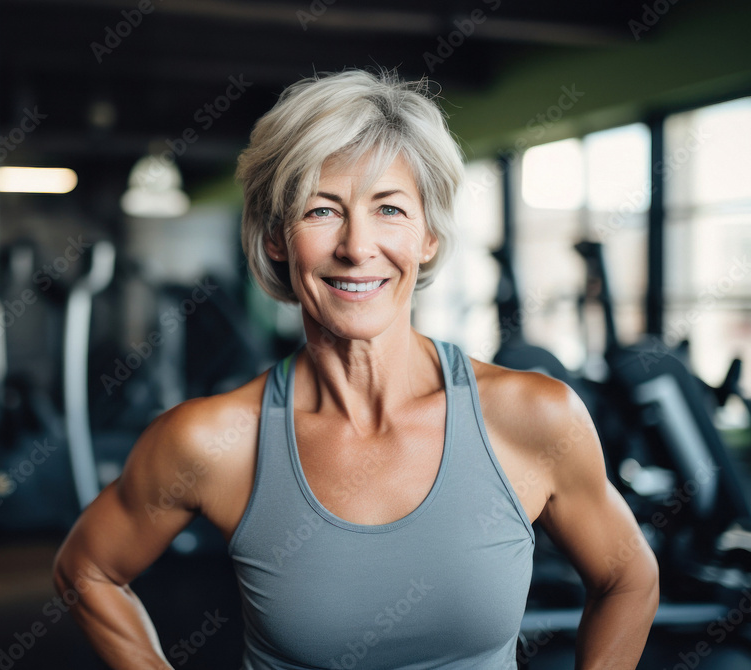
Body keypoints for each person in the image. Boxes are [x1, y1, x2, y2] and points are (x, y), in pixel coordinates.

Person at [53, 68, 659, 669]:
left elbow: (629, 577)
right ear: (275, 238)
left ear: (429, 237)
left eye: (390, 209)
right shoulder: (212, 441)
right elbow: (88, 570)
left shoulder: (534, 419)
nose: (357, 246)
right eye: (321, 211)